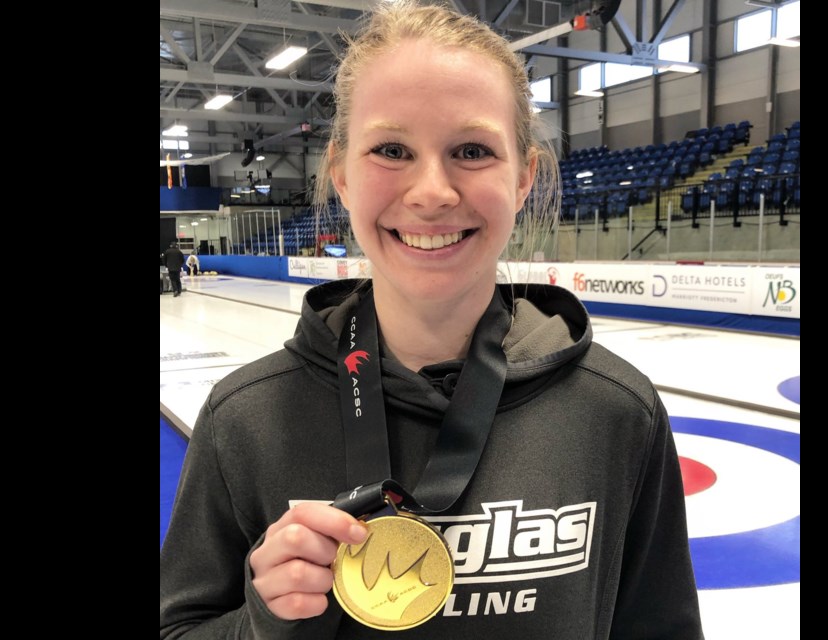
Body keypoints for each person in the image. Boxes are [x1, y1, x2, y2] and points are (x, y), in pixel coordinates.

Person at [159, 2, 703, 638]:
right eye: (391, 149)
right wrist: (260, 621)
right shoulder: (243, 419)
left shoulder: (616, 412)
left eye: (472, 150)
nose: (432, 192)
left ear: (525, 177)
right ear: (339, 173)